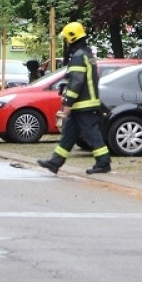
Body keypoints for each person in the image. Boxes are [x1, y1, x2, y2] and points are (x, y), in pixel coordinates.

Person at [37, 22, 112, 175]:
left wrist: (67, 103)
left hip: (82, 104)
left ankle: (103, 162)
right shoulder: (86, 54)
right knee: (69, 134)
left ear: (72, 38)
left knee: (91, 133)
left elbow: (76, 82)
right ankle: (55, 162)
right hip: (84, 103)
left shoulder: (78, 57)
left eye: (66, 39)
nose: (65, 42)